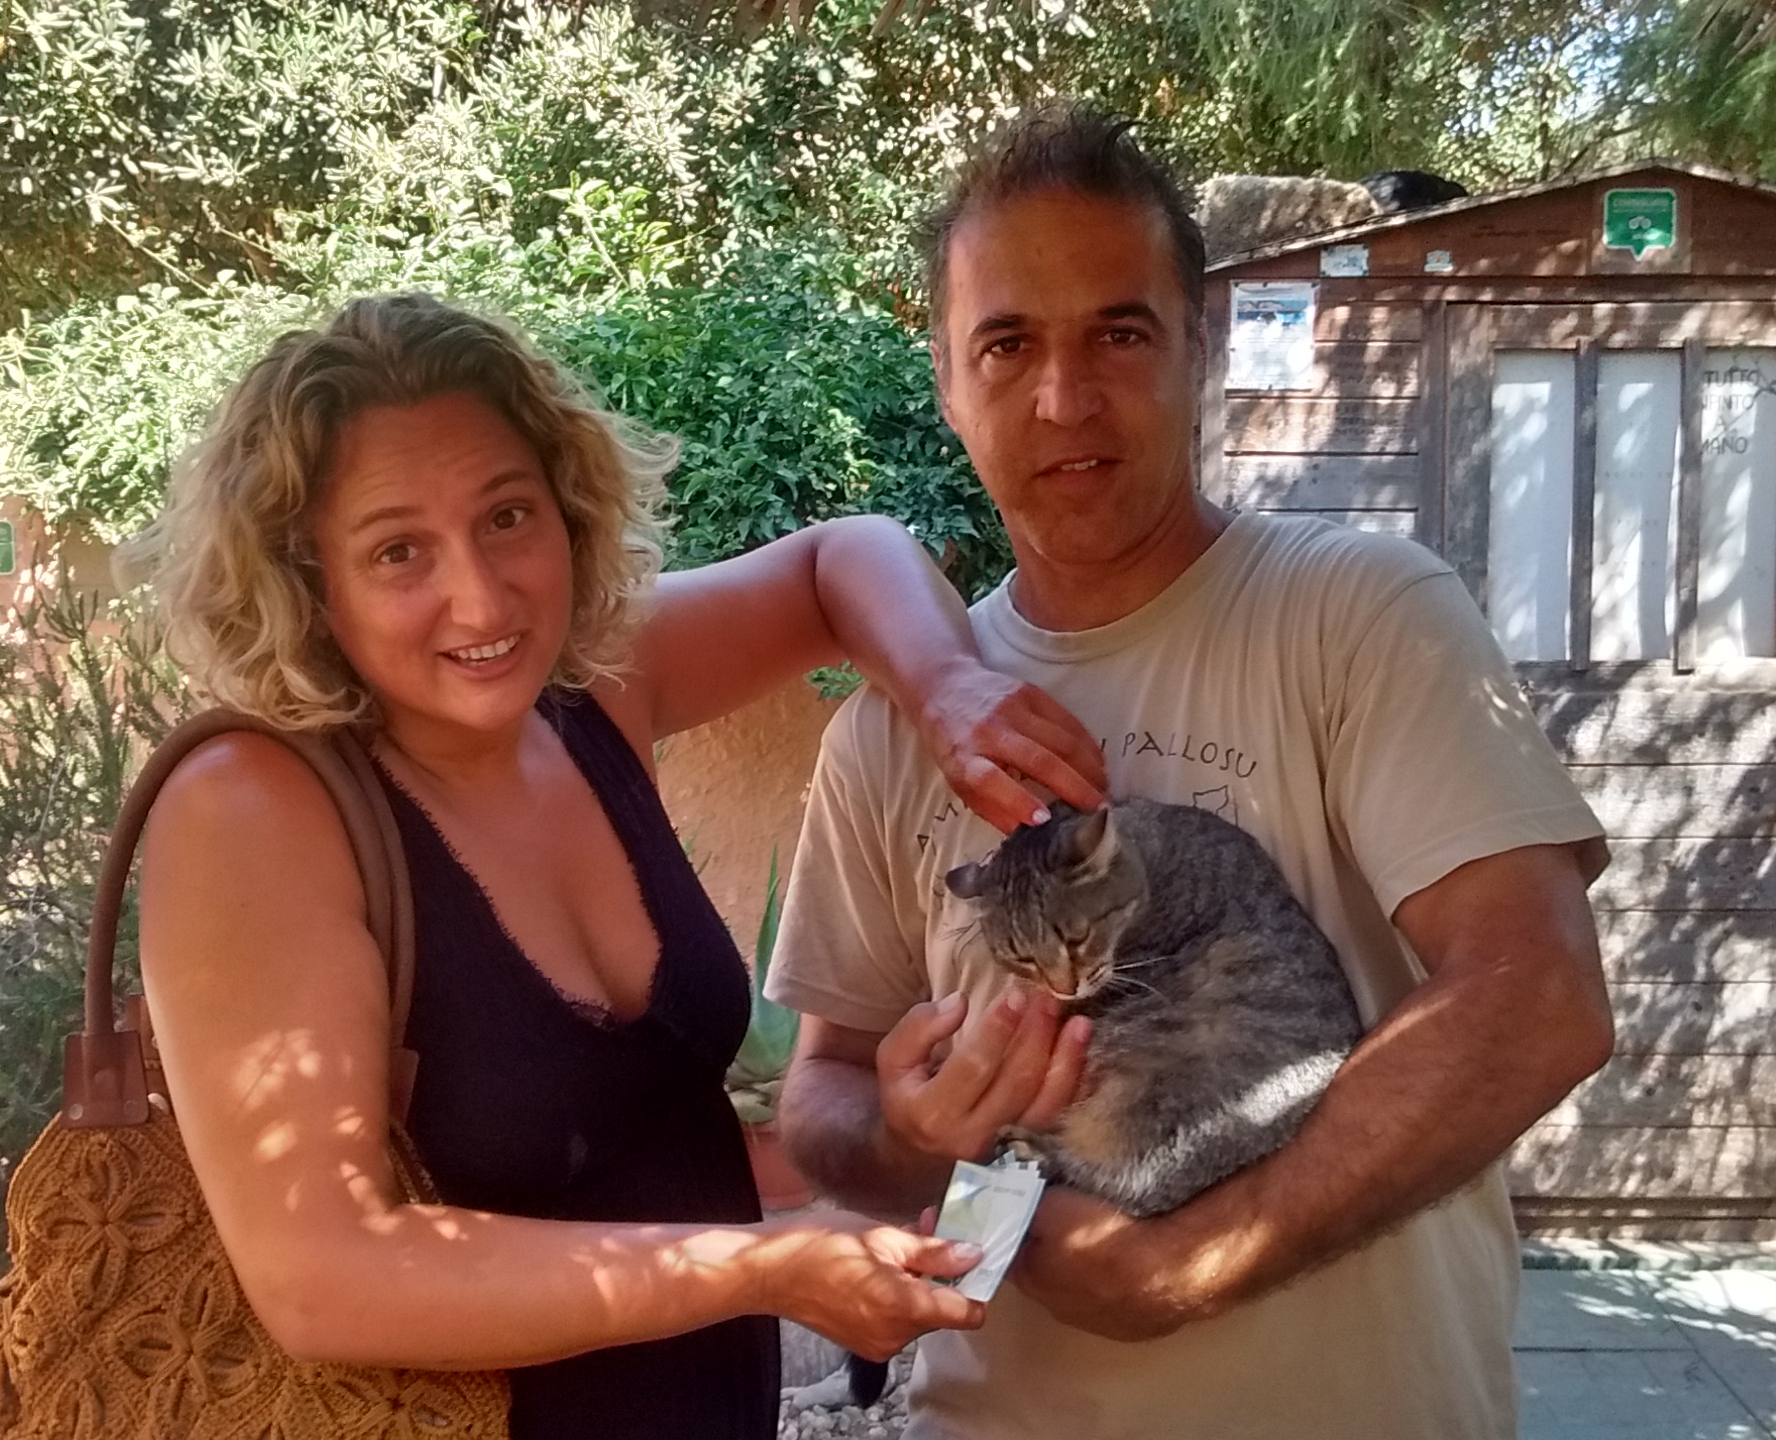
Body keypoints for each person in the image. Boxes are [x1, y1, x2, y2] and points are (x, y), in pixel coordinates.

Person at [767, 103, 1617, 1438]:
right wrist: (907, 1133)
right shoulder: (885, 733)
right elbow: (821, 1095)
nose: (1064, 398)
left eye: (1119, 333)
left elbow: (1539, 995)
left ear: (1200, 349)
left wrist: (1187, 1262)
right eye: (1007, 344)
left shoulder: (1363, 612)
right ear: (945, 379)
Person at [127, 292, 1109, 1439]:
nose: (481, 597)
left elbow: (840, 559)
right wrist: (761, 1267)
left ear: (568, 506)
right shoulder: (253, 808)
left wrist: (946, 687)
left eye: (507, 516)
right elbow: (325, 1275)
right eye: (397, 550)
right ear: (307, 579)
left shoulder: (590, 690)